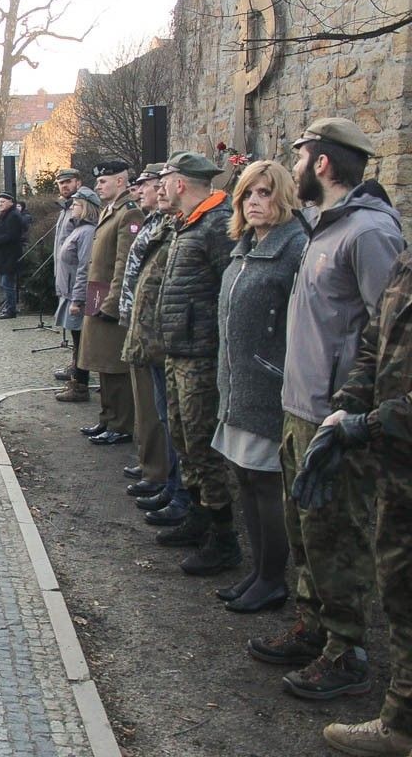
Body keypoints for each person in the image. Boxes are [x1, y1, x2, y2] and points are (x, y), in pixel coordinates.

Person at [248, 118, 404, 703]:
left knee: (336, 536)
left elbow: (388, 334)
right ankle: (315, 629)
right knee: (308, 530)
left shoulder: (369, 234)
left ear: (322, 164)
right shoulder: (324, 227)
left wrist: (351, 411)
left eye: (299, 156)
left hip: (334, 416)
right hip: (300, 406)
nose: (291, 168)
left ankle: (347, 652)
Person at [315, 245, 412, 756]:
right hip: (398, 466)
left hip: (395, 440)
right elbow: (376, 339)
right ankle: (400, 721)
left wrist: (369, 423)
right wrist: (349, 403)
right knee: (399, 588)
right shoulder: (408, 260)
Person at [212, 161, 307, 612]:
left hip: (268, 384)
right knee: (245, 478)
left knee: (266, 482)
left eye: (265, 193)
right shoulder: (244, 248)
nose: (254, 202)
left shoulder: (295, 250)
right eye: (248, 194)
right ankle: (258, 570)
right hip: (238, 383)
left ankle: (273, 578)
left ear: (283, 197)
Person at [150, 152, 239, 575]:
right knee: (185, 441)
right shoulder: (188, 222)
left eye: (165, 178)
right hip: (179, 349)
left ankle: (223, 540)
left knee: (203, 447)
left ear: (181, 182)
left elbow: (229, 291)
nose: (160, 185)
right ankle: (199, 519)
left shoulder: (217, 223)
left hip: (202, 354)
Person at [116, 165, 172, 500]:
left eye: (147, 185)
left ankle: (158, 469)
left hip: (154, 330)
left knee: (156, 406)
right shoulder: (152, 220)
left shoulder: (163, 223)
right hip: (139, 323)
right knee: (147, 401)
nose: (142, 190)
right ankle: (149, 461)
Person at [76, 161, 139, 446]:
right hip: (97, 292)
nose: (99, 185)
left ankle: (121, 423)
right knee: (100, 361)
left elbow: (124, 263)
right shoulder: (110, 210)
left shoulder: (129, 213)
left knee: (115, 365)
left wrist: (113, 303)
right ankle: (106, 417)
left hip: (110, 298)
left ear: (121, 181)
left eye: (104, 181)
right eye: (98, 181)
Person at [52, 188, 99, 401]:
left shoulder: (88, 231)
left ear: (86, 208)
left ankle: (80, 385)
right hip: (69, 291)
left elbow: (84, 267)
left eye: (77, 205)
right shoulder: (79, 229)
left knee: (81, 341)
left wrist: (78, 299)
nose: (72, 208)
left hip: (76, 294)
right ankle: (76, 381)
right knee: (76, 339)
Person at [51, 168, 83, 380]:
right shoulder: (66, 209)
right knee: (74, 331)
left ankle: (79, 373)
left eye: (68, 182)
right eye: (61, 183)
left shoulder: (81, 209)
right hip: (65, 278)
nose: (64, 186)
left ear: (78, 182)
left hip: (76, 281)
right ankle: (76, 365)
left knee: (79, 330)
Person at [0, 192, 27, 320]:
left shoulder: (13, 216)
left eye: (3, 202)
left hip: (10, 255)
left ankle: (11, 309)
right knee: (3, 282)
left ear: (11, 202)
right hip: (3, 255)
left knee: (7, 283)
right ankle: (8, 307)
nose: (0, 204)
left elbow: (12, 235)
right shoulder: (5, 215)